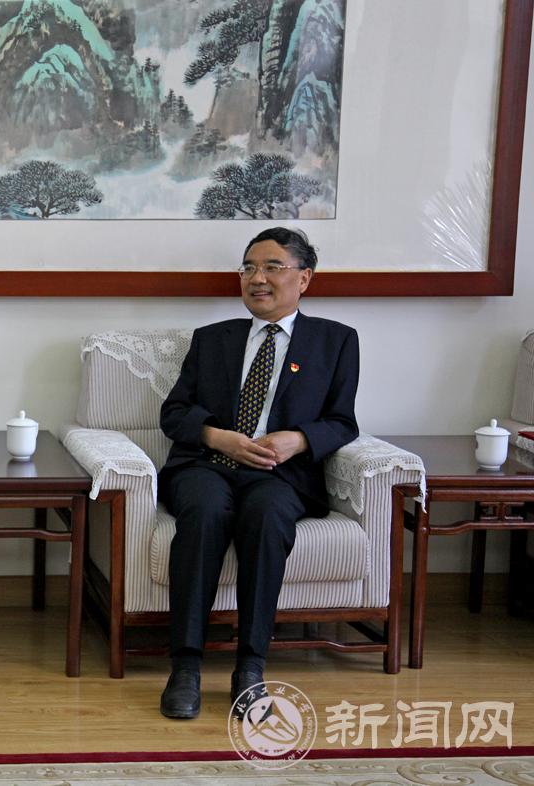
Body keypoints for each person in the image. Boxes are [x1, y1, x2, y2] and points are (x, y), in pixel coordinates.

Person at [157, 227, 359, 720]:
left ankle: (250, 667)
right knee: (205, 511)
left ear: (304, 278)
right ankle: (185, 668)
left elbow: (342, 422)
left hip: (279, 474)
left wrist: (299, 439)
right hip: (208, 464)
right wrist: (217, 436)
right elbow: (174, 413)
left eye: (271, 267)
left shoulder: (335, 341)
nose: (257, 278)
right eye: (248, 268)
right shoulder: (212, 340)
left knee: (267, 516)